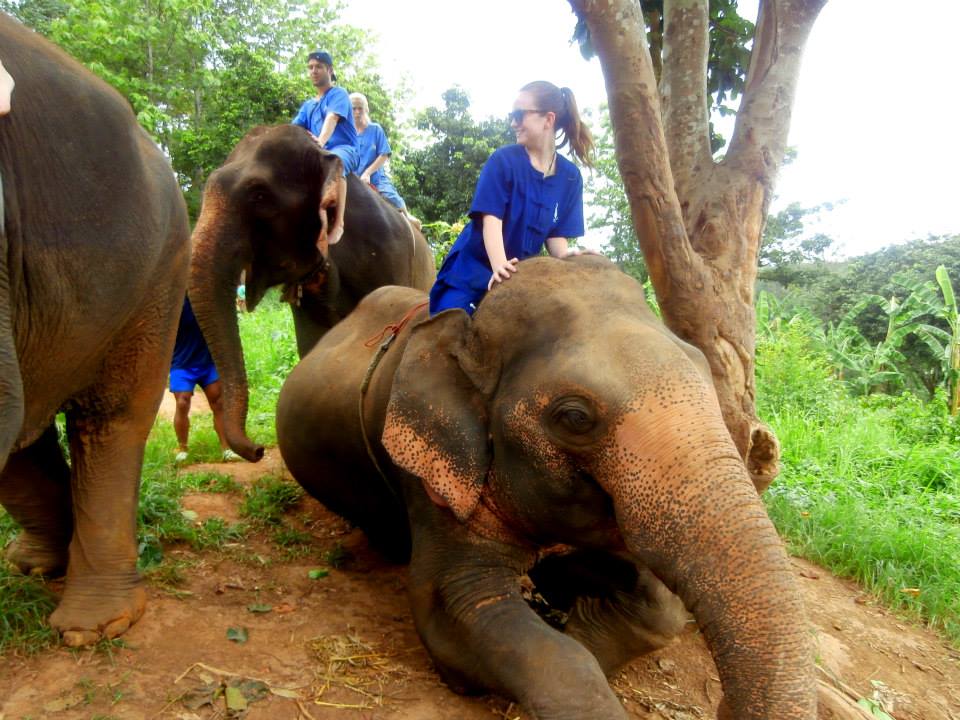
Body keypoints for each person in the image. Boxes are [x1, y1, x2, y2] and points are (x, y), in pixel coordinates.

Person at [428, 80, 595, 316]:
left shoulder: (570, 177)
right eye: (512, 115)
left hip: (520, 278)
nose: (513, 123)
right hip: (472, 273)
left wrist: (570, 257)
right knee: (447, 332)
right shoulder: (503, 161)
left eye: (519, 115)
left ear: (548, 119)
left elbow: (556, 238)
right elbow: (491, 221)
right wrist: (500, 270)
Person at [291, 50, 359, 247]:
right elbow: (294, 129)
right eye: (310, 67)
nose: (314, 71)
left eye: (318, 67)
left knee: (333, 160)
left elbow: (332, 118)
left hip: (344, 150)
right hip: (317, 153)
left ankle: (339, 223)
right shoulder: (308, 105)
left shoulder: (338, 94)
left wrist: (320, 142)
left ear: (329, 70)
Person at [169, 296, 241, 464]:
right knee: (182, 403)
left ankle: (226, 449)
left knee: (219, 403)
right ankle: (182, 448)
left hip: (208, 362)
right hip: (182, 363)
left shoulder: (209, 299)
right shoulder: (177, 300)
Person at [349, 92, 418, 226]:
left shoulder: (375, 129)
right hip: (352, 179)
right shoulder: (346, 132)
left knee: (391, 197)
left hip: (375, 178)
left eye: (360, 108)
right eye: (353, 108)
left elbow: (384, 153)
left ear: (366, 109)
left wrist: (367, 173)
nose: (357, 112)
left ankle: (408, 218)